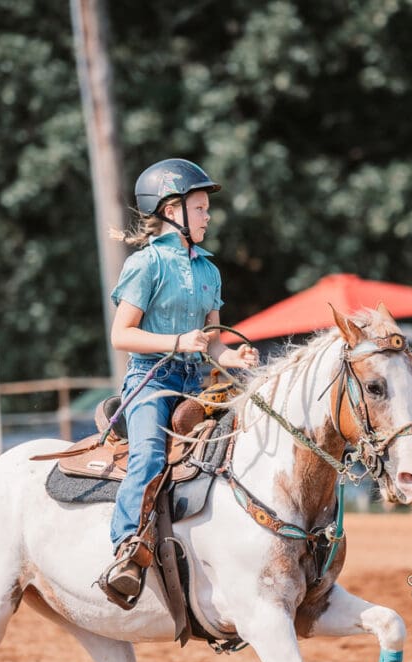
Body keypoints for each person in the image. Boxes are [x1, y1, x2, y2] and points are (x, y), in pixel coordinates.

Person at [103, 158, 258, 601]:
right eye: (201, 207)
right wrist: (177, 340)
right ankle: (127, 549)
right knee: (149, 456)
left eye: (207, 208)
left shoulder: (209, 270)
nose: (208, 216)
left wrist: (235, 355)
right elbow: (121, 335)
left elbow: (210, 341)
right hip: (150, 381)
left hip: (197, 385)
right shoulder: (146, 265)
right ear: (172, 210)